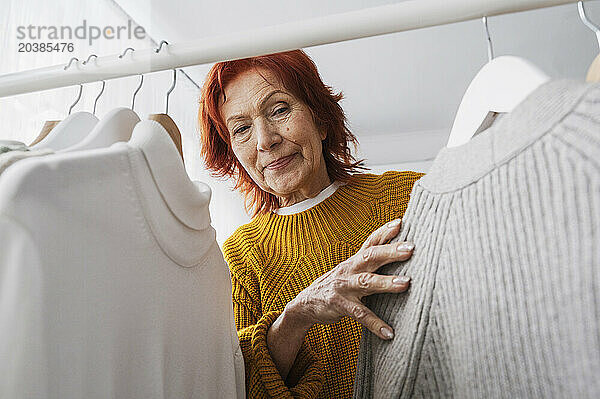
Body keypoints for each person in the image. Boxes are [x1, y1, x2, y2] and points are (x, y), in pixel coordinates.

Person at [198, 49, 424, 398]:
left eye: (279, 110)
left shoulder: (408, 195)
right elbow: (236, 385)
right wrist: (298, 315)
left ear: (321, 119)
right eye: (242, 129)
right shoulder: (239, 257)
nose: (265, 140)